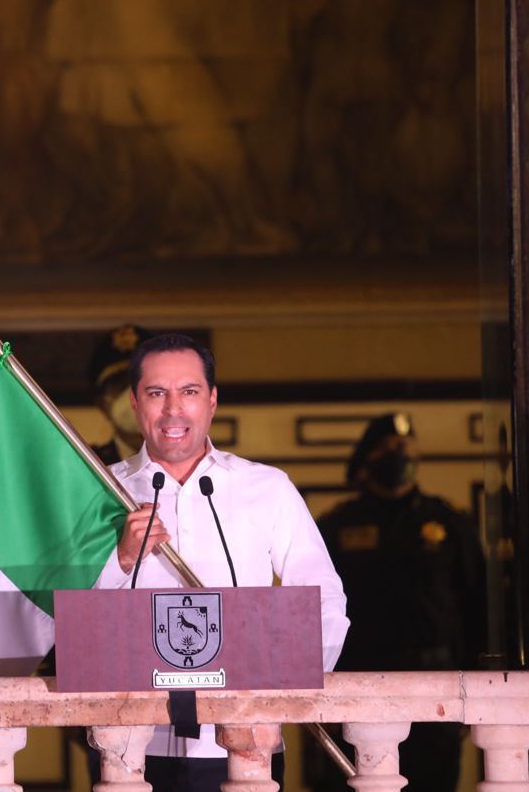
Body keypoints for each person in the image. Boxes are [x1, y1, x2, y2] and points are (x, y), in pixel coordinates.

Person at [94, 333, 350, 792]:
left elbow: (324, 600)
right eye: (157, 393)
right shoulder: (99, 491)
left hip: (245, 746)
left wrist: (286, 692)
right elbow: (68, 615)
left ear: (212, 401)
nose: (174, 409)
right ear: (134, 403)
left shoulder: (267, 488)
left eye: (189, 392)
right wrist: (122, 558)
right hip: (133, 748)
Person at [314, 413, 486, 792]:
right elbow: (314, 612)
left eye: (406, 447)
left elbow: (478, 607)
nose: (400, 455)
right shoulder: (336, 527)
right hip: (358, 683)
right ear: (366, 459)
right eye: (389, 448)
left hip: (436, 685)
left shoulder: (448, 523)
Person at [88, 324, 154, 465]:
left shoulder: (198, 464)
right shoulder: (88, 466)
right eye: (122, 385)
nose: (135, 395)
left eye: (146, 382)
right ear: (102, 405)